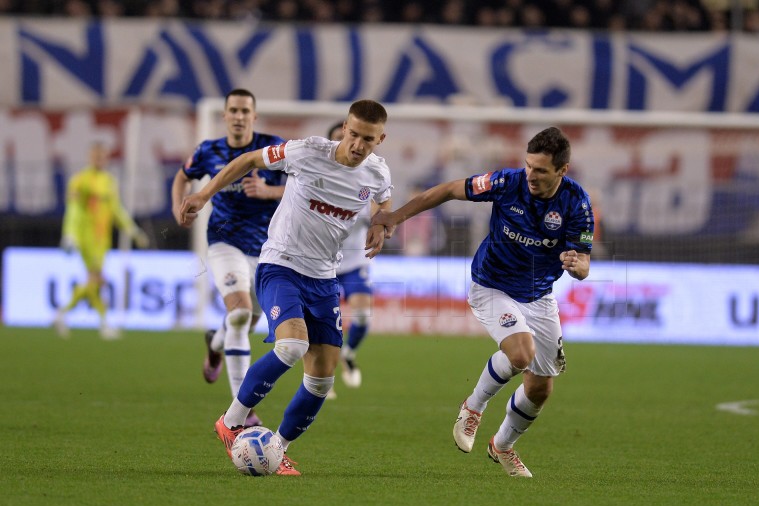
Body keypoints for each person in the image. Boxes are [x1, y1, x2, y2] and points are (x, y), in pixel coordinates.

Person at [179, 99, 392, 475]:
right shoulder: (307, 151)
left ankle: (276, 449)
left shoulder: (376, 172)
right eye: (354, 134)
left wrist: (381, 223)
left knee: (322, 378)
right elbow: (247, 161)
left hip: (325, 278)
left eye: (369, 139)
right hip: (281, 265)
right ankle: (231, 421)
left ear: (381, 139)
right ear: (344, 128)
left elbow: (383, 201)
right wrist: (203, 194)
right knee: (292, 345)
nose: (359, 145)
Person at [370, 126, 594, 477]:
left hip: (538, 296)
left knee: (540, 389)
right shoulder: (507, 183)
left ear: (562, 171)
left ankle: (502, 446)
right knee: (521, 354)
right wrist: (396, 216)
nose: (531, 176)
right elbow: (447, 190)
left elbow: (582, 261)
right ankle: (473, 407)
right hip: (491, 285)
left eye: (541, 170)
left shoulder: (576, 204)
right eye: (528, 166)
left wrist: (578, 266)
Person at [171, 88, 287, 428]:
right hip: (224, 242)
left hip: (267, 248)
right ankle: (243, 412)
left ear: (254, 116)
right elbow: (183, 177)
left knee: (247, 320)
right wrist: (178, 206)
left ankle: (215, 342)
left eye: (244, 111)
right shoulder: (209, 151)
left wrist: (269, 191)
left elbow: (302, 185)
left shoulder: (273, 146)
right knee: (238, 314)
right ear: (224, 116)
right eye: (233, 110)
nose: (238, 116)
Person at [54, 142, 149, 340]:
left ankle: (62, 315)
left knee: (94, 282)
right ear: (90, 157)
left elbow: (116, 210)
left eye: (102, 156)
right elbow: (73, 209)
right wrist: (69, 234)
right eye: (96, 156)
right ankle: (103, 324)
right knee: (97, 279)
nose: (99, 159)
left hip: (102, 239)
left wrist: (132, 230)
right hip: (85, 237)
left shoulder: (109, 181)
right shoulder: (80, 180)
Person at [328, 121, 373, 391]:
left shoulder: (368, 177)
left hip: (355, 262)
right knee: (324, 322)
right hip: (324, 263)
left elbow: (379, 210)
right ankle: (322, 375)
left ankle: (349, 353)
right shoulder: (318, 177)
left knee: (363, 315)